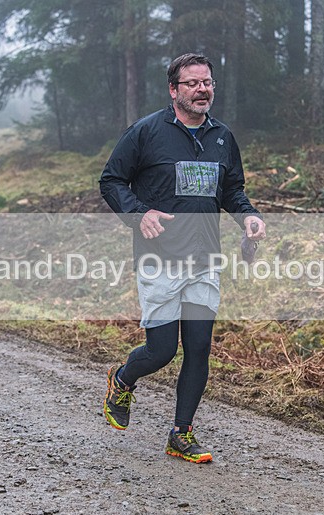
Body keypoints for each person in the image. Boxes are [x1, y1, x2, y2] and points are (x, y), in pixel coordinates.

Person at [99, 53, 266, 463]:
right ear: (173, 90)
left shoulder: (222, 137)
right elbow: (111, 180)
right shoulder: (146, 132)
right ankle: (122, 379)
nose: (201, 89)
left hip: (205, 258)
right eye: (192, 83)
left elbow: (232, 190)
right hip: (159, 257)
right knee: (161, 351)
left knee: (199, 346)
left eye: (207, 82)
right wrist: (139, 214)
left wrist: (248, 217)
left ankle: (181, 434)